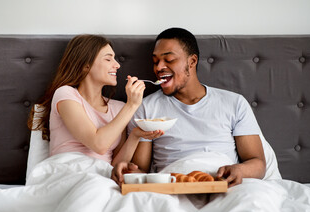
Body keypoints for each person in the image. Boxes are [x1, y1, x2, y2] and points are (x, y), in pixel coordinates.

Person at [112, 28, 266, 187]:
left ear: (192, 61)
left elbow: (258, 164)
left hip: (223, 185)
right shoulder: (147, 107)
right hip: (173, 185)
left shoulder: (234, 103)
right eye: (155, 61)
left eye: (169, 59)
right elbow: (142, 171)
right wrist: (128, 171)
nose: (158, 68)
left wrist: (239, 170)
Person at [28, 34, 163, 166]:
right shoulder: (65, 94)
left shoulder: (119, 108)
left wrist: (134, 136)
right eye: (108, 59)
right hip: (68, 172)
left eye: (115, 59)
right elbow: (98, 144)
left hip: (101, 178)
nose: (117, 65)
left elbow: (115, 166)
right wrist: (132, 105)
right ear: (86, 65)